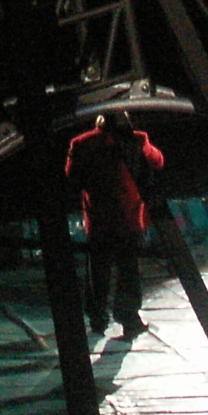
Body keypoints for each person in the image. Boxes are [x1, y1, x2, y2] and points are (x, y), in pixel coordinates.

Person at [65, 109, 166, 335]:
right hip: (128, 216)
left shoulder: (81, 143)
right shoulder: (137, 139)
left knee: (98, 270)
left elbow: (72, 176)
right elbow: (158, 161)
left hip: (98, 217)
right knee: (128, 269)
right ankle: (128, 318)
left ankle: (97, 317)